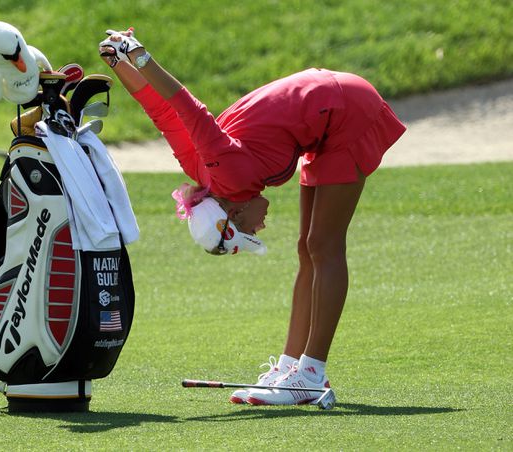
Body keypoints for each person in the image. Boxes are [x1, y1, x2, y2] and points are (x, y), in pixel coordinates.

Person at [98, 29, 406, 406]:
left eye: (245, 231)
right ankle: (291, 366)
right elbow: (157, 109)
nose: (258, 228)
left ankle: (311, 374)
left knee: (323, 245)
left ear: (234, 211)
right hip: (324, 116)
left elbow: (185, 107)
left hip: (345, 110)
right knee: (308, 248)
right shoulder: (202, 168)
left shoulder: (228, 173)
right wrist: (116, 62)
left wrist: (138, 56)